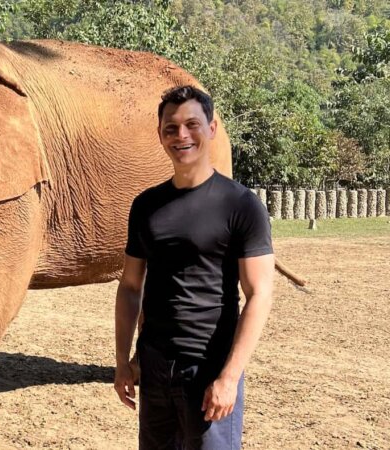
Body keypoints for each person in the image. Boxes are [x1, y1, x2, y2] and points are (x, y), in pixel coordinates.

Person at [114, 85, 275, 450]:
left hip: (209, 368)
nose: (181, 135)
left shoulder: (241, 205)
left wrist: (230, 377)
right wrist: (124, 360)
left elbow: (259, 294)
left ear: (212, 128)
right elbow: (129, 287)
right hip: (155, 367)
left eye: (192, 124)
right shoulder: (146, 206)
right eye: (171, 128)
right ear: (160, 135)